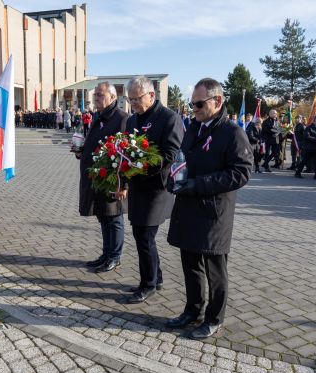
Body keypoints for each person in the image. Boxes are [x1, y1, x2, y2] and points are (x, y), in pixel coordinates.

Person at [166, 78, 252, 339]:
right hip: (188, 207)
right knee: (190, 264)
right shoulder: (193, 127)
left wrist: (197, 183)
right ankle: (192, 310)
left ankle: (215, 318)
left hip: (214, 213)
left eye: (200, 104)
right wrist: (175, 176)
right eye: (192, 104)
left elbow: (241, 173)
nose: (195, 109)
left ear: (218, 101)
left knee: (215, 269)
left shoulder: (232, 133)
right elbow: (181, 157)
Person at [125, 76, 184, 303]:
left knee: (144, 236)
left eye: (137, 99)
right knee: (142, 236)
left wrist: (144, 164)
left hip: (157, 187)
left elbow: (171, 154)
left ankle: (148, 284)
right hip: (137, 186)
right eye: (130, 99)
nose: (133, 104)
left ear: (151, 94)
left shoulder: (169, 118)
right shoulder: (132, 121)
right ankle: (156, 277)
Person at [75, 82, 129, 273]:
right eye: (95, 94)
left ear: (113, 97)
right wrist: (82, 151)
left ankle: (115, 257)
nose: (96, 97)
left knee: (113, 218)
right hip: (95, 177)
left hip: (112, 179)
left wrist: (123, 183)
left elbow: (125, 153)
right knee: (103, 216)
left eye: (100, 94)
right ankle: (106, 254)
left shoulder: (122, 118)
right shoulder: (97, 116)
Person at [295, 115, 316, 180]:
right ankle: (297, 173)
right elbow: (306, 136)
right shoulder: (309, 127)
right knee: (304, 161)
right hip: (309, 147)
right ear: (315, 120)